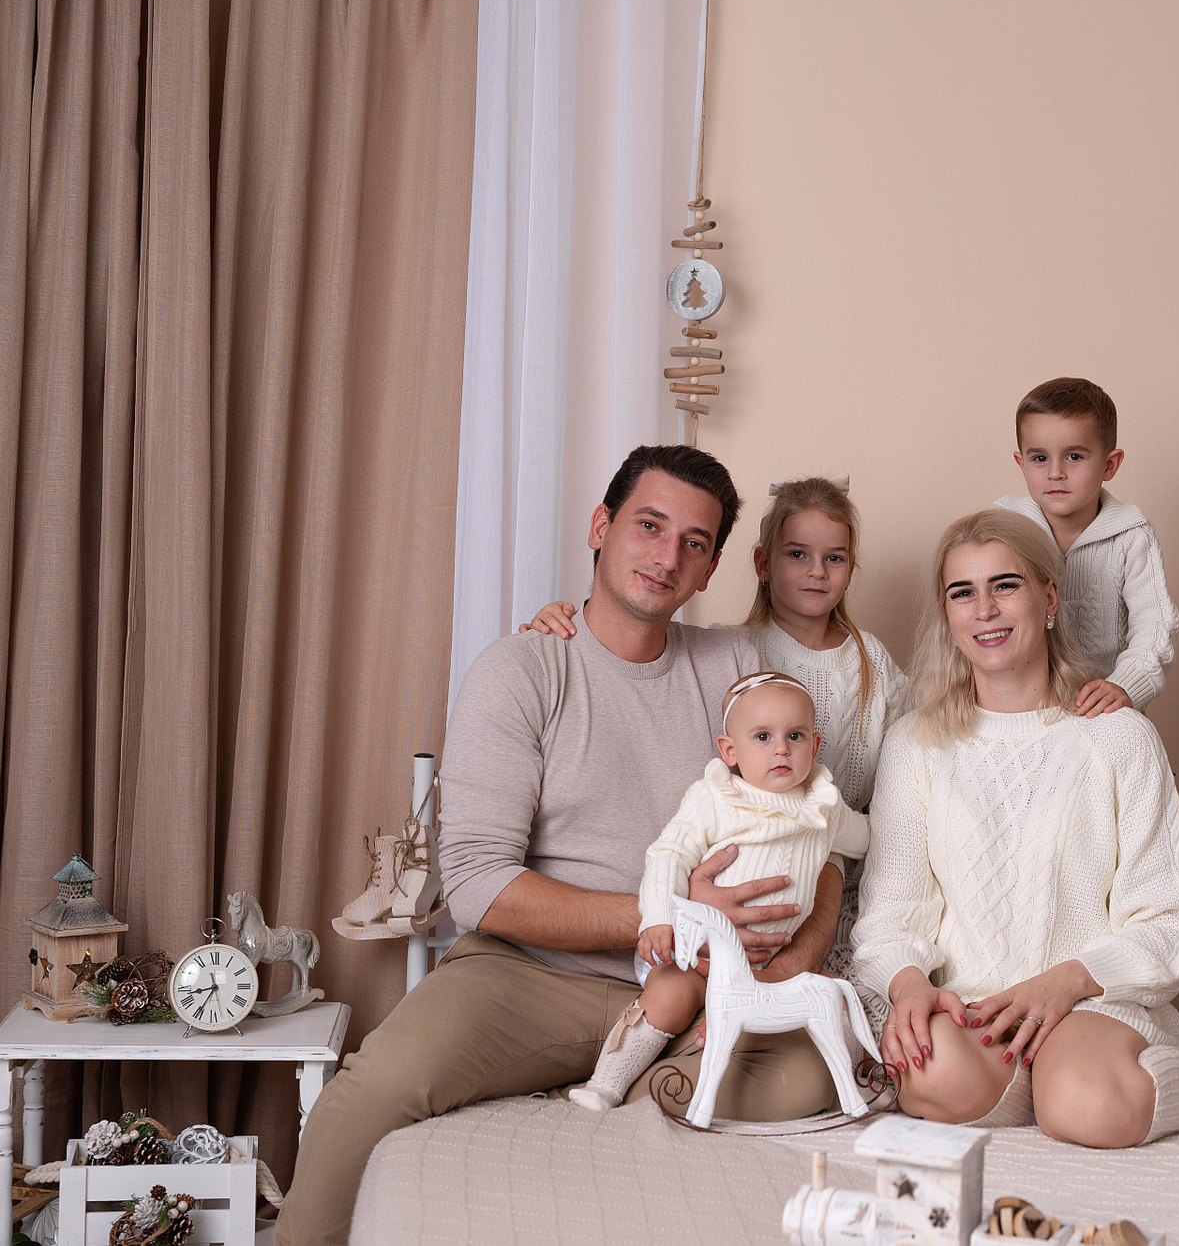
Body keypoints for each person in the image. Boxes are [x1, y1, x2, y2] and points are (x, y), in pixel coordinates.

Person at [277, 446, 845, 1246]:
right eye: (649, 526)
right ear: (601, 527)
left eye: (693, 542)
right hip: (528, 974)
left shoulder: (733, 667)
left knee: (808, 1078)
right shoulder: (522, 667)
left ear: (712, 567)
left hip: (697, 984)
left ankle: (624, 1080)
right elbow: (477, 882)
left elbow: (820, 836)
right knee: (377, 1085)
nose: (667, 555)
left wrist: (787, 968)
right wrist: (672, 912)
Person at [851, 509, 1179, 1153]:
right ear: (947, 615)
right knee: (929, 1075)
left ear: (1049, 598)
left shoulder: (1117, 736)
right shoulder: (915, 743)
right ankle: (1039, 1084)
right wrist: (910, 985)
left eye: (1005, 585)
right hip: (978, 1007)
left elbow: (1167, 917)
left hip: (1090, 999)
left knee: (1090, 1110)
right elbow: (890, 913)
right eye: (962, 592)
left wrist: (1066, 981)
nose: (985, 609)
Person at [569, 671, 869, 1111]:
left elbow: (864, 840)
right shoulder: (715, 798)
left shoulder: (823, 806)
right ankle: (606, 1084)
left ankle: (860, 1087)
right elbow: (669, 855)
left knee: (835, 997)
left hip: (776, 960)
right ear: (730, 750)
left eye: (795, 736)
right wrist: (658, 919)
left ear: (815, 745)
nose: (781, 749)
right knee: (670, 997)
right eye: (762, 737)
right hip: (698, 956)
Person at [525, 474, 908, 812]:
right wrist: (564, 622)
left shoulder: (872, 659)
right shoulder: (727, 653)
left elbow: (918, 748)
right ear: (763, 565)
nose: (817, 571)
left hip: (853, 853)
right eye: (797, 554)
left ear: (850, 571)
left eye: (834, 558)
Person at [994, 377, 1179, 716]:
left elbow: (1156, 626)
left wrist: (1125, 684)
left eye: (1074, 456)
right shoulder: (1006, 528)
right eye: (1040, 458)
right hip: (1023, 707)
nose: (1055, 473)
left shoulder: (1131, 535)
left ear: (1109, 465)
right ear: (1022, 464)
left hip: (1102, 708)